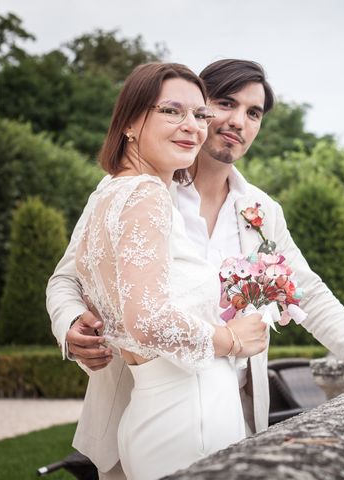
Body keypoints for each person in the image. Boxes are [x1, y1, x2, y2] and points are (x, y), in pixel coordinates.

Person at [48, 59, 344, 480]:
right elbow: (67, 276)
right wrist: (72, 321)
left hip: (233, 413)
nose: (238, 121)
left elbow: (307, 292)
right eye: (226, 103)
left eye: (254, 113)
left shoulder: (261, 211)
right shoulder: (136, 189)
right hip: (138, 404)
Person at [56, 62, 268, 480]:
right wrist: (230, 339)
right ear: (132, 121)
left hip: (153, 408)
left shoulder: (111, 192)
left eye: (199, 115)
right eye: (172, 111)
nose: (192, 126)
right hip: (190, 413)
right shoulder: (149, 194)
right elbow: (147, 318)